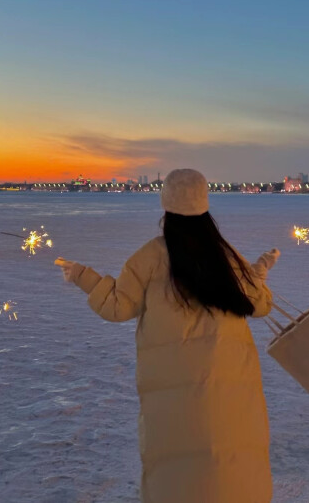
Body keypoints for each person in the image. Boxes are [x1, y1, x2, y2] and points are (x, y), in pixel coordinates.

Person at [56, 168, 280, 503]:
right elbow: (258, 304)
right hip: (231, 395)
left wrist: (81, 276)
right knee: (234, 473)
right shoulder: (225, 255)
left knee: (177, 479)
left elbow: (117, 307)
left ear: (166, 206)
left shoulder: (150, 256)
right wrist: (258, 273)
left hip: (175, 403)